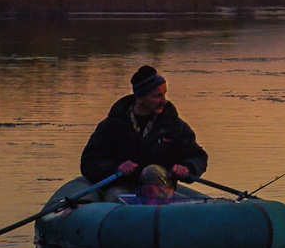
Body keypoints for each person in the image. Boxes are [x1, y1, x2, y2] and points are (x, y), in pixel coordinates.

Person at [80, 65, 208, 195]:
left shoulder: (174, 126)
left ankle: (158, 210)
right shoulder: (111, 126)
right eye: (157, 96)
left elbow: (198, 156)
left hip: (161, 187)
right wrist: (117, 167)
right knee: (115, 195)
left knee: (152, 171)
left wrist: (187, 168)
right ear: (140, 98)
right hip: (123, 185)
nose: (164, 101)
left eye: (164, 94)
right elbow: (89, 161)